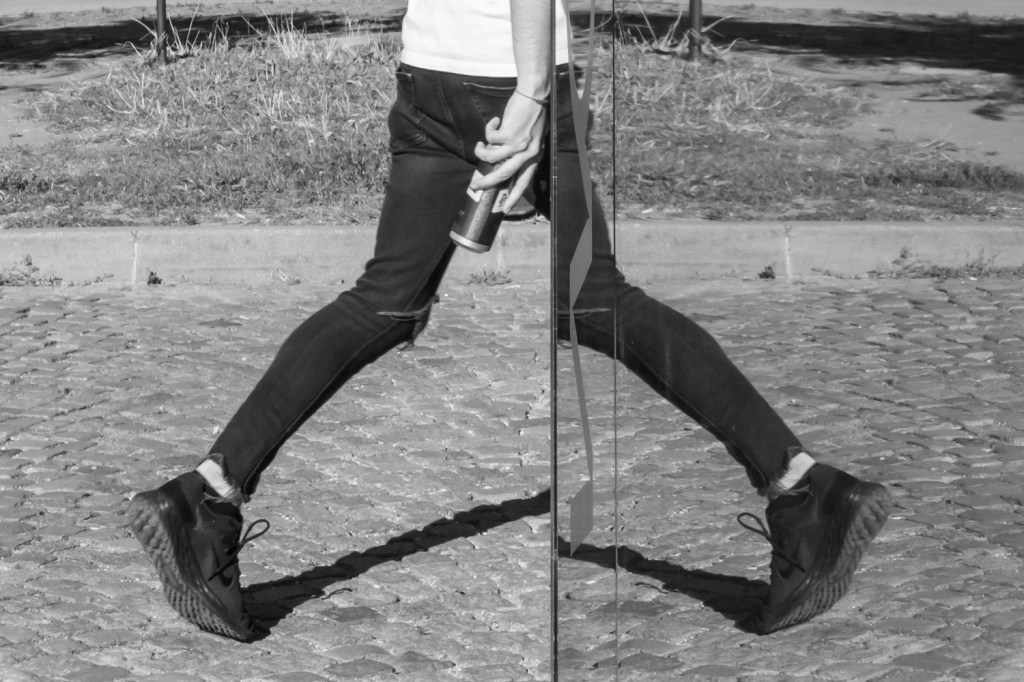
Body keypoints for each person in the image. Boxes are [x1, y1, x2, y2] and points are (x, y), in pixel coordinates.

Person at [127, 0, 890, 642]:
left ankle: (207, 492)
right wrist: (531, 93)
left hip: (431, 72)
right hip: (515, 76)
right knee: (597, 300)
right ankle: (803, 491)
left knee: (385, 301)